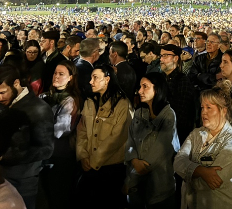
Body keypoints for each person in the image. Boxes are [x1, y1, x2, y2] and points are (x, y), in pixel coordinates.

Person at [0, 65, 55, 209]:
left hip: (23, 181)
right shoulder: (4, 104)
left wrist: (5, 156)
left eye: (2, 92)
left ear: (16, 83)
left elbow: (46, 149)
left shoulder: (39, 109)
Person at [174, 84, 232, 209]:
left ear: (223, 111)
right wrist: (201, 171)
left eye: (209, 108)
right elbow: (178, 161)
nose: (204, 112)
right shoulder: (196, 134)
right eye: (202, 107)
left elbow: (214, 182)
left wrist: (187, 174)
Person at [76, 64, 132, 206]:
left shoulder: (122, 104)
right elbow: (81, 130)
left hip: (111, 168)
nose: (91, 81)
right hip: (89, 165)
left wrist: (94, 161)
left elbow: (117, 137)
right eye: (91, 78)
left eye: (95, 78)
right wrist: (83, 155)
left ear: (107, 79)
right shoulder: (90, 102)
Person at [125, 73, 180, 209]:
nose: (140, 91)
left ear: (158, 89)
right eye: (140, 87)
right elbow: (130, 139)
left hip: (159, 184)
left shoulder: (168, 115)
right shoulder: (139, 113)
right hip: (137, 187)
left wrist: (133, 175)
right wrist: (133, 160)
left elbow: (160, 151)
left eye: (145, 87)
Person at [40, 59, 81, 209]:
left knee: (58, 197)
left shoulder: (70, 100)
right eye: (55, 73)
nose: (56, 76)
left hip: (61, 156)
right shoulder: (47, 95)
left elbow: (59, 131)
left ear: (71, 78)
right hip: (47, 153)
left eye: (61, 74)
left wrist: (39, 126)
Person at [160, 43, 197, 144]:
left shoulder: (182, 82)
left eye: (165, 56)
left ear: (176, 58)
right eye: (161, 56)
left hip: (175, 136)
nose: (161, 59)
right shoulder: (161, 79)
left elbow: (182, 114)